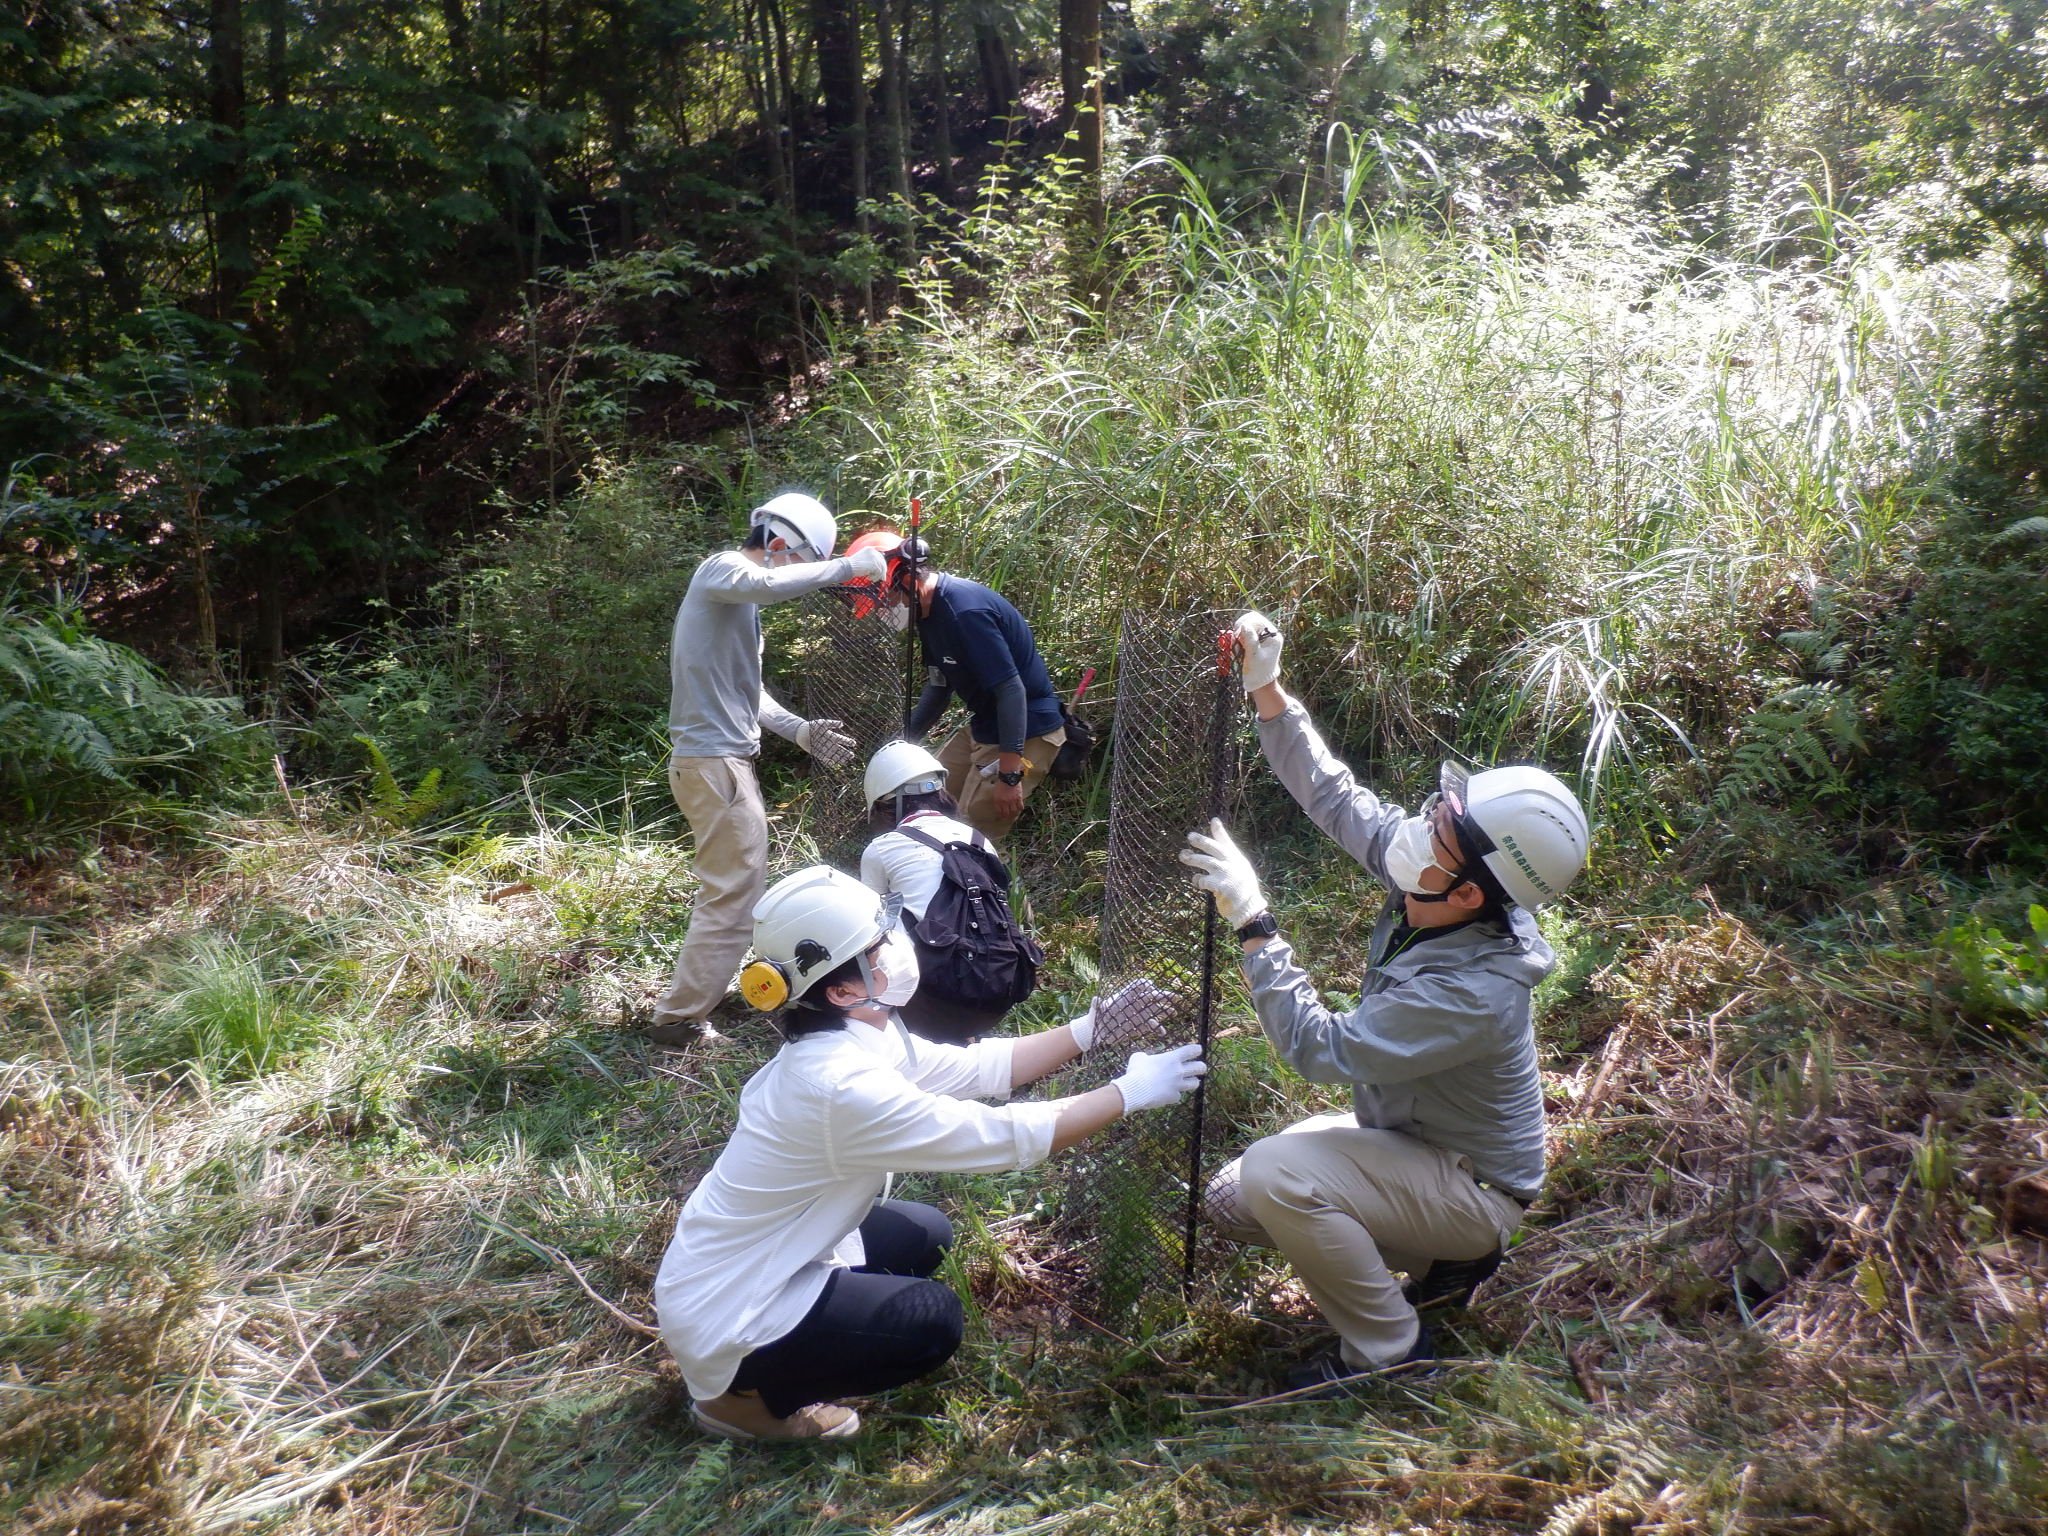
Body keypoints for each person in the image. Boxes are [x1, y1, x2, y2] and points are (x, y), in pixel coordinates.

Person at [1179, 610, 1590, 1394]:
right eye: (1440, 811)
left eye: (1438, 830)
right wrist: (1269, 692)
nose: (1418, 826)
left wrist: (1254, 921)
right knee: (1237, 1199)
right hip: (1416, 1147)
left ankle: (1388, 1350)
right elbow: (1338, 800)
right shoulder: (1435, 887)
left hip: (1471, 1187)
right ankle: (1443, 1263)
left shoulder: (1474, 993)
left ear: (1471, 891)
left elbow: (1320, 1049)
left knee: (1278, 1177)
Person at [654, 865, 1204, 1440]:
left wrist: (1091, 1029)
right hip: (728, 1311)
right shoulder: (838, 1088)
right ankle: (740, 1401)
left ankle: (794, 1344)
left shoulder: (853, 1033)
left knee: (923, 1233)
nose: (898, 945)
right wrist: (1129, 1093)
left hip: (747, 1262)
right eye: (878, 944)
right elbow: (1001, 1137)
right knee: (929, 1319)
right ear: (843, 989)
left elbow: (980, 1067)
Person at [645, 492, 891, 1048]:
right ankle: (679, 1020)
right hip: (714, 765)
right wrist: (849, 567)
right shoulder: (723, 572)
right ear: (779, 544)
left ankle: (697, 997)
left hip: (720, 764)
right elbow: (765, 583)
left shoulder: (738, 607)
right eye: (805, 565)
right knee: (733, 894)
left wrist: (800, 731)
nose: (803, 578)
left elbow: (748, 692)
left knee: (737, 887)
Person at [842, 530, 1065, 841]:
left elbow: (1012, 691)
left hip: (1028, 729)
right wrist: (902, 742)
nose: (882, 609)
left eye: (883, 599)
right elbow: (938, 687)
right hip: (985, 724)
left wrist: (1009, 776)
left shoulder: (965, 612)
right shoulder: (928, 615)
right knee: (924, 792)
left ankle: (989, 885)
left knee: (971, 830)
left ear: (904, 578)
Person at [857, 739, 1039, 1045]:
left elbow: (865, 931)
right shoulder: (978, 839)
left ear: (888, 804)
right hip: (1001, 991)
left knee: (871, 924)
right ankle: (960, 1034)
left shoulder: (882, 848)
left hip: (932, 1000)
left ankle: (883, 1032)